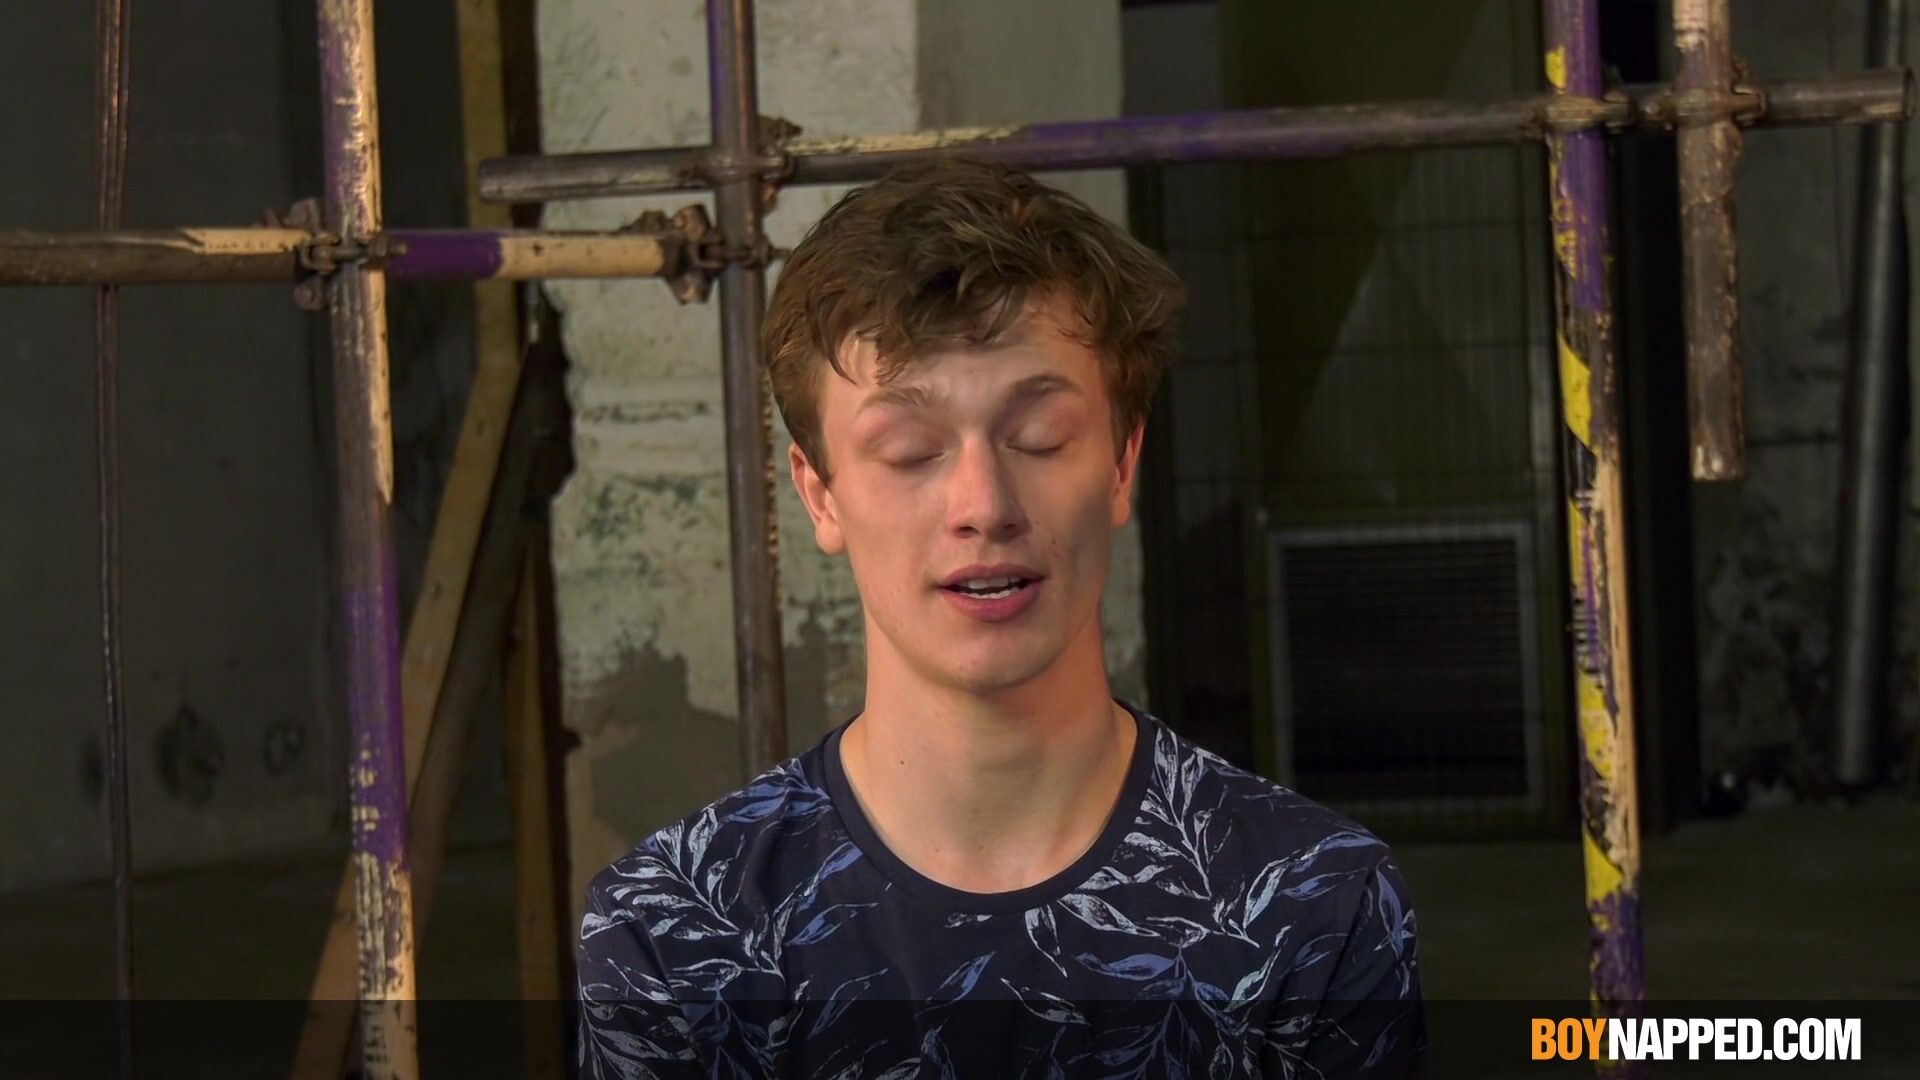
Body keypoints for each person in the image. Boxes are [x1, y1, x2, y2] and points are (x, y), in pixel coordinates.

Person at [577, 157, 1427, 1078]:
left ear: (1121, 463)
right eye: (911, 450)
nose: (983, 505)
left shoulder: (1309, 903)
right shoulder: (674, 933)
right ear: (819, 494)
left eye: (1039, 439)